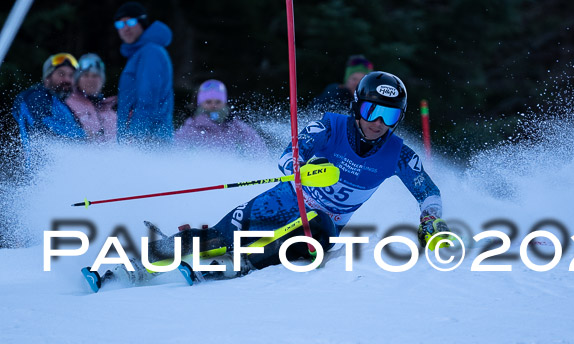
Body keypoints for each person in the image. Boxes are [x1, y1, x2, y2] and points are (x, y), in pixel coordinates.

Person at [83, 71, 451, 289]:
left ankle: (242, 263)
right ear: (357, 105)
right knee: (221, 235)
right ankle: (137, 264)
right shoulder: (330, 125)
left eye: (389, 116)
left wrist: (429, 218)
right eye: (371, 110)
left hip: (317, 225)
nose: (377, 123)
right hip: (285, 199)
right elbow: (289, 152)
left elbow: (427, 191)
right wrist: (300, 165)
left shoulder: (397, 154)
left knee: (319, 229)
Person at [113, 1, 174, 143]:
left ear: (142, 23)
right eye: (120, 24)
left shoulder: (150, 52)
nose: (125, 28)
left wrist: (137, 135)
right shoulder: (140, 54)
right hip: (143, 137)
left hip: (148, 139)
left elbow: (149, 95)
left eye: (130, 22)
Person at [11, 53, 86, 158]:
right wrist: (83, 137)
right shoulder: (36, 97)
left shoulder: (61, 105)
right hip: (42, 171)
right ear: (47, 78)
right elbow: (43, 126)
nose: (67, 80)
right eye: (61, 74)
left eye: (71, 75)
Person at [175, 79, 266, 152]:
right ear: (200, 104)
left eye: (218, 102)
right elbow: (176, 147)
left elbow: (256, 144)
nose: (213, 105)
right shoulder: (193, 125)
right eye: (208, 102)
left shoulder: (233, 124)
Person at [65, 54, 117, 142]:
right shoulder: (67, 104)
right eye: (86, 75)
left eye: (95, 76)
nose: (90, 79)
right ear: (78, 79)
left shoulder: (112, 110)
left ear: (102, 80)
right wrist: (82, 136)